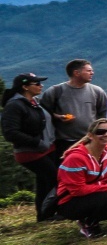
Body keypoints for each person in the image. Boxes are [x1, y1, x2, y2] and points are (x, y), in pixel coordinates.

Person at [56, 119, 107, 239]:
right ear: (90, 135)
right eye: (101, 132)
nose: (106, 135)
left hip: (94, 194)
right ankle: (88, 223)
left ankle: (95, 217)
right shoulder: (75, 158)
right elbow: (77, 190)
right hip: (70, 201)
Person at [2, 73, 58, 221]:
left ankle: (43, 215)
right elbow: (11, 133)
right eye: (37, 83)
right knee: (54, 179)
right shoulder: (15, 105)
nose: (41, 86)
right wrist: (37, 142)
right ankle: (50, 212)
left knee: (43, 182)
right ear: (25, 87)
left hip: (46, 149)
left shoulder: (34, 102)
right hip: (30, 152)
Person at [41, 59, 107, 163]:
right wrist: (58, 117)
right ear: (76, 73)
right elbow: (43, 114)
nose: (92, 73)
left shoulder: (97, 92)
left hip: (89, 141)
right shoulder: (55, 91)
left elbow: (103, 115)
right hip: (64, 142)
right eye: (89, 71)